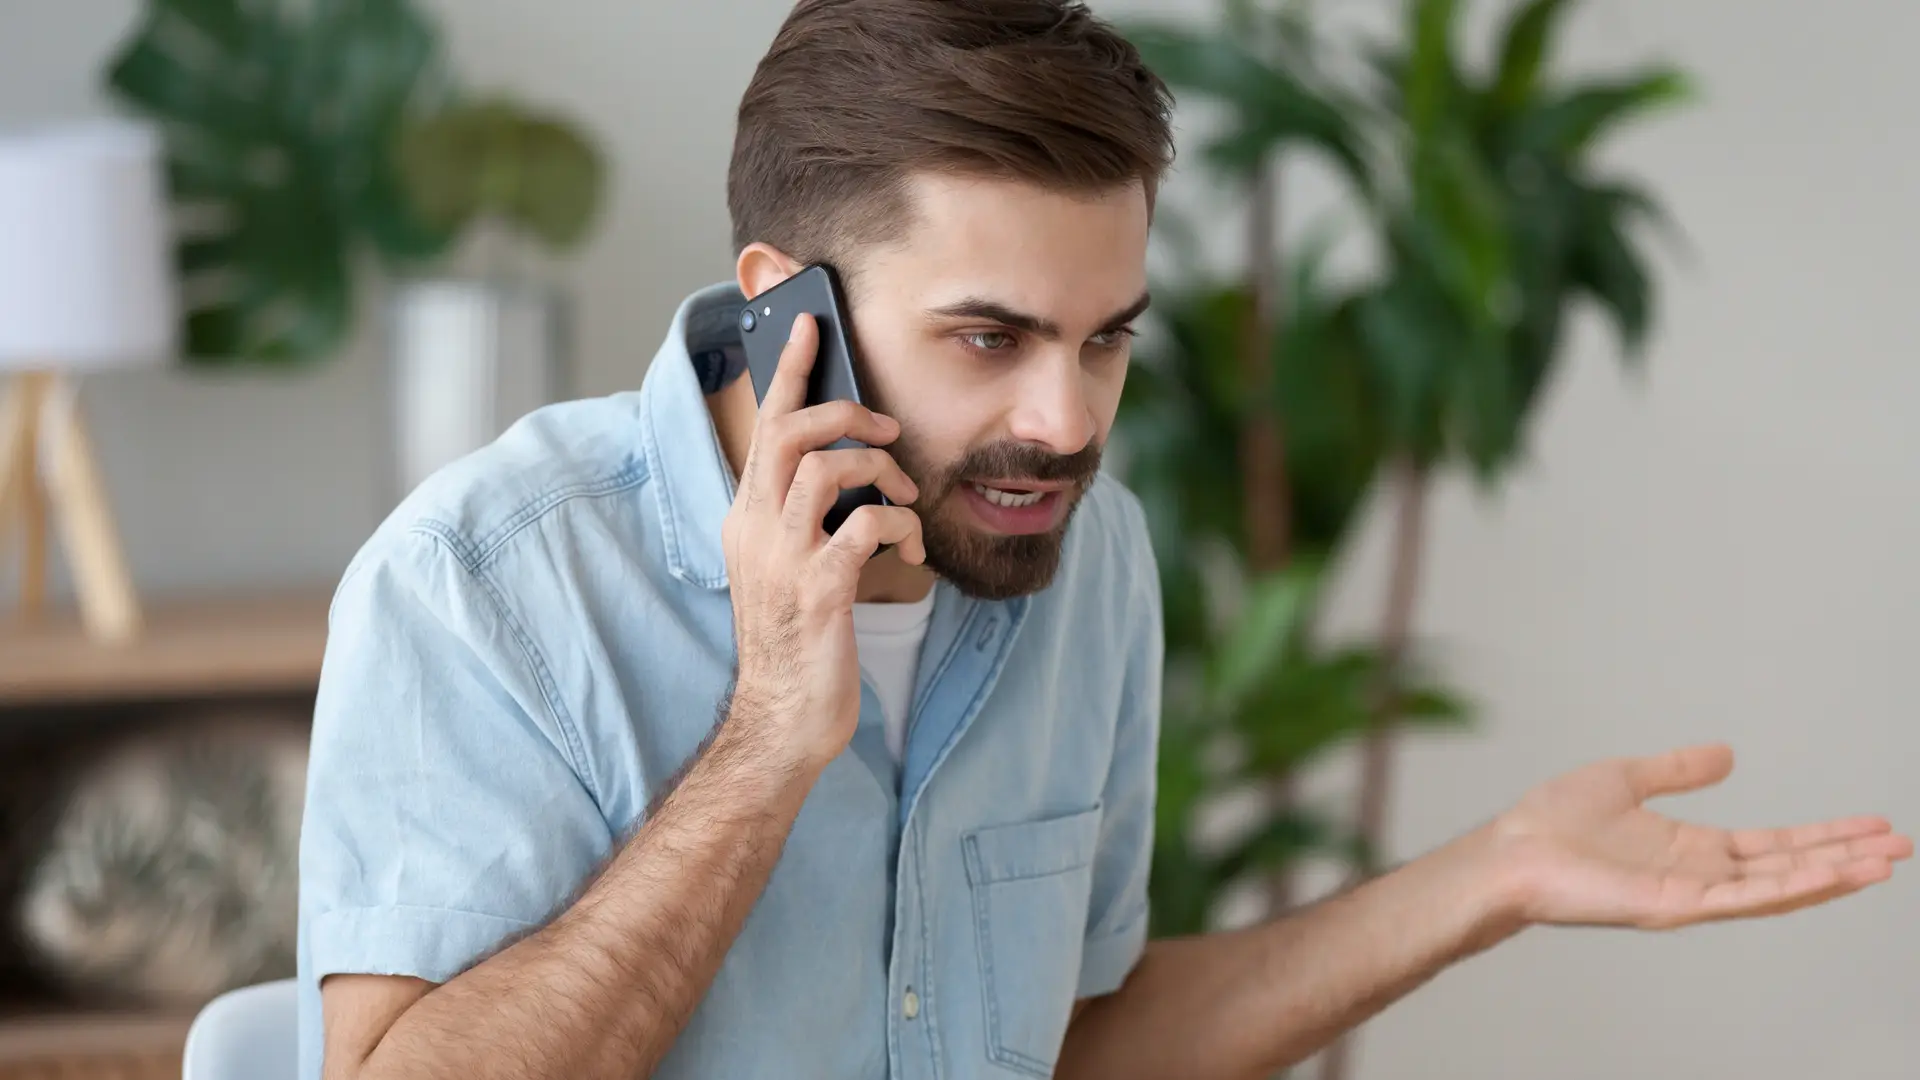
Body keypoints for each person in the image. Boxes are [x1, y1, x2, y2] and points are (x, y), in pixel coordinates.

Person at [296, 1, 1911, 1077]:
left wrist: (1494, 878)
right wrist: (773, 734)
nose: (1067, 426)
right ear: (788, 305)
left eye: (1106, 339)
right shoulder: (487, 588)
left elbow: (1064, 1045)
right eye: (989, 339)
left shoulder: (1078, 551)